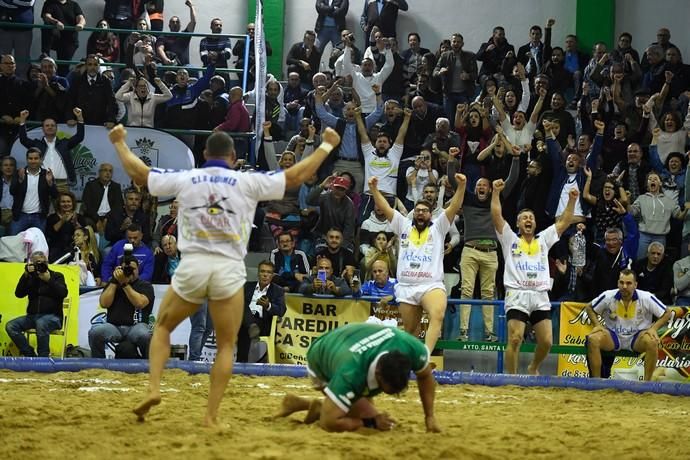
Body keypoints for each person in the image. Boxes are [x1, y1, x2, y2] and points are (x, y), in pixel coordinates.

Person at [108, 121, 341, 425]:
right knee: (226, 345)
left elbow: (139, 175)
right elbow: (296, 176)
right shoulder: (247, 181)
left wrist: (119, 142)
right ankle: (210, 415)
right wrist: (325, 145)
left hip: (193, 264)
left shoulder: (188, 177)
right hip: (229, 268)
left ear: (205, 153)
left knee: (163, 328)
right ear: (233, 156)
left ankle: (153, 388)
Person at [275, 322, 440, 433]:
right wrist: (370, 422)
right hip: (320, 359)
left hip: (348, 343)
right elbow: (328, 423)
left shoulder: (409, 346)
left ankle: (312, 405)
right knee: (373, 423)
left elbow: (425, 377)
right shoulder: (351, 373)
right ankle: (318, 408)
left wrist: (430, 417)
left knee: (371, 417)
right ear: (377, 374)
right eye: (383, 388)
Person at [368, 171, 467, 353]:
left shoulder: (439, 227)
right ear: (414, 214)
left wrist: (461, 187)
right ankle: (410, 363)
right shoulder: (403, 225)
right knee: (411, 332)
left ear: (431, 215)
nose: (421, 213)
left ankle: (425, 356)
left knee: (437, 315)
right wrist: (374, 189)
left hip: (431, 285)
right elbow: (388, 209)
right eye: (418, 211)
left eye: (425, 211)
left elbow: (453, 207)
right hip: (406, 286)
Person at [491, 179, 579, 375]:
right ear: (518, 223)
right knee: (515, 338)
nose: (528, 220)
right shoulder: (509, 239)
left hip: (540, 295)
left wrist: (572, 201)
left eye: (531, 217)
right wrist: (496, 192)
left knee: (547, 341)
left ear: (535, 223)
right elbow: (496, 215)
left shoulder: (543, 239)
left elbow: (564, 222)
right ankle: (511, 379)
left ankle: (533, 368)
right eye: (524, 218)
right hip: (517, 293)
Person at [584, 269, 671, 381]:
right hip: (613, 335)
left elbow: (667, 312)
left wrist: (654, 329)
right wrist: (597, 325)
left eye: (629, 283)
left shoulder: (646, 297)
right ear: (617, 283)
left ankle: (647, 383)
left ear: (635, 285)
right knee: (593, 339)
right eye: (621, 282)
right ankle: (596, 381)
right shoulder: (608, 295)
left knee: (652, 342)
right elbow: (589, 307)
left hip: (637, 337)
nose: (624, 286)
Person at [88, 255, 155, 359]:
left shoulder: (145, 285)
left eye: (133, 269)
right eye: (126, 269)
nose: (130, 271)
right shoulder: (113, 283)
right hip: (114, 327)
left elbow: (140, 303)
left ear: (138, 269)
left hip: (136, 326)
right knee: (95, 332)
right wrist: (115, 281)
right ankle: (98, 364)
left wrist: (124, 284)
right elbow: (104, 303)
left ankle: (149, 364)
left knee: (145, 335)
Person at [5, 250, 68, 357]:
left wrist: (49, 280)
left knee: (41, 323)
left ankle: (43, 357)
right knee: (11, 326)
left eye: (42, 263)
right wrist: (25, 276)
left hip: (53, 317)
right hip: (32, 317)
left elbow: (63, 293)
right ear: (32, 265)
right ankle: (29, 354)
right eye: (37, 263)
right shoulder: (30, 278)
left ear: (47, 263)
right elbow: (18, 294)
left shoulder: (57, 276)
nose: (40, 266)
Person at [237, 260, 286, 363]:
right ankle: (251, 326)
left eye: (268, 272)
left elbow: (281, 310)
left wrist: (268, 305)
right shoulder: (247, 286)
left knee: (245, 327)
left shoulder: (278, 291)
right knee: (241, 303)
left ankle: (241, 364)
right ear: (258, 273)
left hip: (263, 323)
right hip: (243, 321)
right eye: (262, 271)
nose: (265, 275)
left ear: (272, 275)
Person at [10, 147, 58, 235]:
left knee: (37, 245)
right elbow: (12, 192)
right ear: (27, 159)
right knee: (14, 242)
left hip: (39, 217)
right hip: (20, 216)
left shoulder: (46, 175)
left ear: (41, 159)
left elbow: (55, 195)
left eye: (36, 158)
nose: (33, 161)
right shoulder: (19, 173)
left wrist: (50, 183)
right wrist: (20, 181)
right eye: (30, 158)